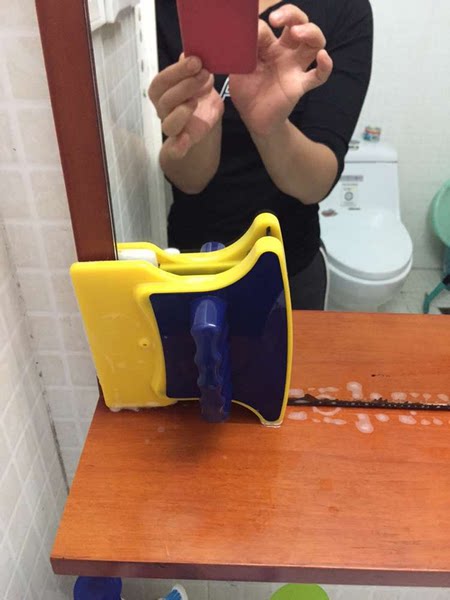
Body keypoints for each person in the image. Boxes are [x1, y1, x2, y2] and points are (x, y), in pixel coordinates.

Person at [150, 0, 373, 309]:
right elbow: (189, 181)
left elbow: (315, 184)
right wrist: (200, 127)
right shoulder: (162, 9)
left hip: (288, 265)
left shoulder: (343, 8)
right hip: (190, 263)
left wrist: (271, 128)